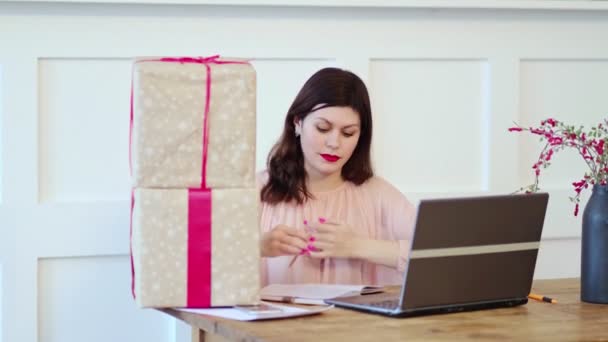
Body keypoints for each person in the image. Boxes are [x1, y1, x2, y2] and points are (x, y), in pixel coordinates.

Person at [257, 67, 416, 286]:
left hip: (353, 322)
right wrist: (257, 247)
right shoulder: (254, 191)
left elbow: (440, 255)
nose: (334, 143)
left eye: (348, 133)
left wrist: (357, 246)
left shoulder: (378, 195)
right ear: (298, 123)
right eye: (323, 128)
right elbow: (202, 260)